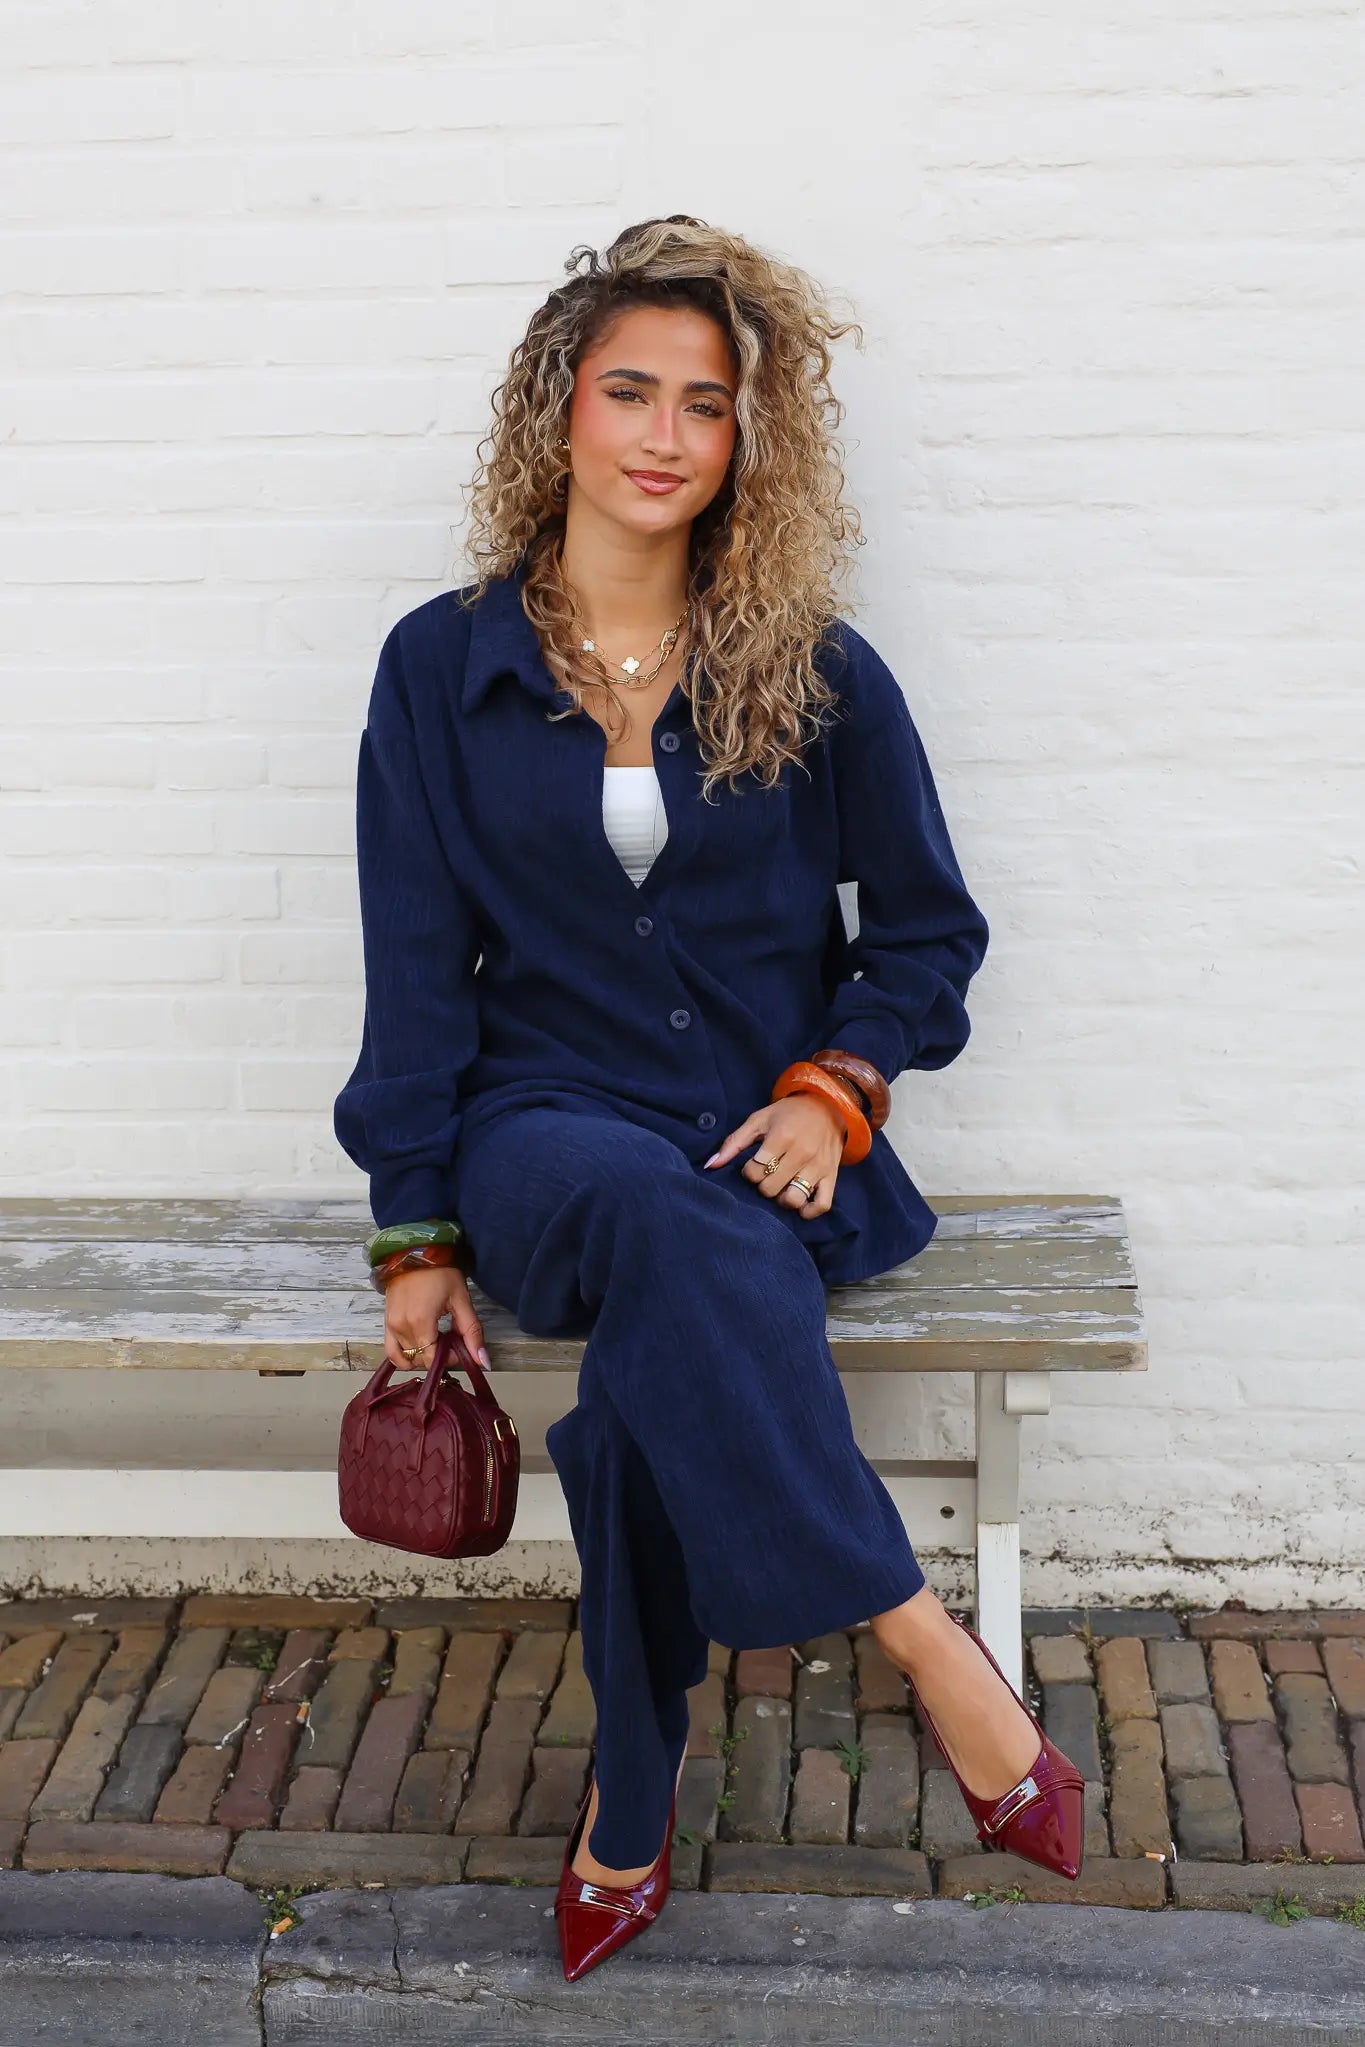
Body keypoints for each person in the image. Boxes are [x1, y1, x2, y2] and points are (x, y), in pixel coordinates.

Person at [334, 214, 1084, 1982]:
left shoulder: (814, 670)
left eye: (705, 404)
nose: (663, 435)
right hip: (546, 1134)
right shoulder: (439, 669)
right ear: (557, 410)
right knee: (657, 1219)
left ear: (749, 438)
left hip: (775, 1142)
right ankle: (924, 1640)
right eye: (628, 392)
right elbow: (413, 963)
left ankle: (634, 1773)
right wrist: (414, 1230)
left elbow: (928, 934)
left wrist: (837, 1089)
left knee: (650, 1369)